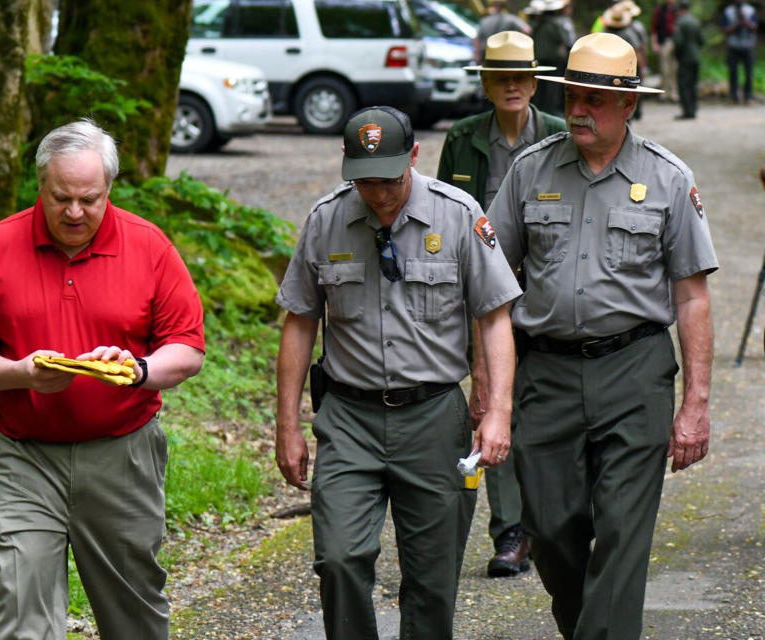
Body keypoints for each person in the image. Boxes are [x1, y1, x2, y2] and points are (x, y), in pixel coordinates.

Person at [484, 33, 718, 639]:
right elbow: (491, 284)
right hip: (548, 372)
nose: (579, 110)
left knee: (621, 528)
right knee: (552, 526)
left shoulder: (667, 179)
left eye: (594, 99)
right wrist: (492, 389)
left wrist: (696, 404)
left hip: (634, 370)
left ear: (628, 105)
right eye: (572, 98)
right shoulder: (529, 171)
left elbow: (692, 296)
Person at [0, 119, 206, 639]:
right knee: (19, 611)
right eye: (61, 197)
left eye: (90, 199)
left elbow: (188, 347)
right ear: (41, 184)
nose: (74, 212)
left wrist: (139, 371)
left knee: (132, 612)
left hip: (122, 454)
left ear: (109, 188)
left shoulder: (149, 246)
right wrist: (19, 373)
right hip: (23, 455)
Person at [275, 106, 521, 639]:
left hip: (434, 417)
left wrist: (498, 410)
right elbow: (299, 322)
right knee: (339, 559)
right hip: (348, 420)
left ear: (414, 156)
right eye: (365, 180)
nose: (380, 193)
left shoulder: (458, 214)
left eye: (390, 178)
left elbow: (496, 315)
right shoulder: (326, 219)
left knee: (432, 582)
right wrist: (288, 425)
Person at [437, 30, 565, 579]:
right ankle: (510, 531)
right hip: (483, 298)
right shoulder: (463, 139)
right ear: (486, 83)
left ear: (535, 82)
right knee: (492, 404)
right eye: (500, 77)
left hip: (546, 295)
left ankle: (553, 523)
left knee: (548, 412)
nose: (512, 86)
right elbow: (441, 219)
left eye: (521, 76)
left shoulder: (559, 134)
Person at [603, 0, 650, 119]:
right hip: (627, 67)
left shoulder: (605, 31)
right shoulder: (629, 32)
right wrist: (642, 66)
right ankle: (633, 113)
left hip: (610, 67)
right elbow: (638, 49)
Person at [531, 0, 573, 116]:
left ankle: (539, 110)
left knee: (540, 87)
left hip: (539, 59)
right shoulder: (557, 24)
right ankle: (551, 112)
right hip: (555, 61)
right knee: (553, 88)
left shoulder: (537, 24)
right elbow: (566, 41)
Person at [721, 0, 758, 104]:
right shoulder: (728, 11)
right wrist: (737, 24)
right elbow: (724, 29)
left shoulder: (750, 10)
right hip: (733, 46)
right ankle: (733, 97)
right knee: (733, 73)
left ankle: (748, 96)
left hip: (748, 46)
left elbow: (755, 27)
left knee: (749, 73)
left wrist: (745, 21)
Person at [673, 0, 704, 119]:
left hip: (685, 58)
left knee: (684, 84)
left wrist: (677, 55)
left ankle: (687, 111)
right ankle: (694, 108)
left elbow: (678, 42)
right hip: (696, 57)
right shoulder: (696, 21)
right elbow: (701, 41)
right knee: (693, 84)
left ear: (680, 9)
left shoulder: (680, 22)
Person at [650, 0, 679, 100]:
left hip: (676, 42)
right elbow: (654, 28)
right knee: (664, 69)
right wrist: (654, 43)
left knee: (675, 68)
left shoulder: (678, 10)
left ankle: (674, 93)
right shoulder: (660, 10)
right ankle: (665, 93)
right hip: (664, 41)